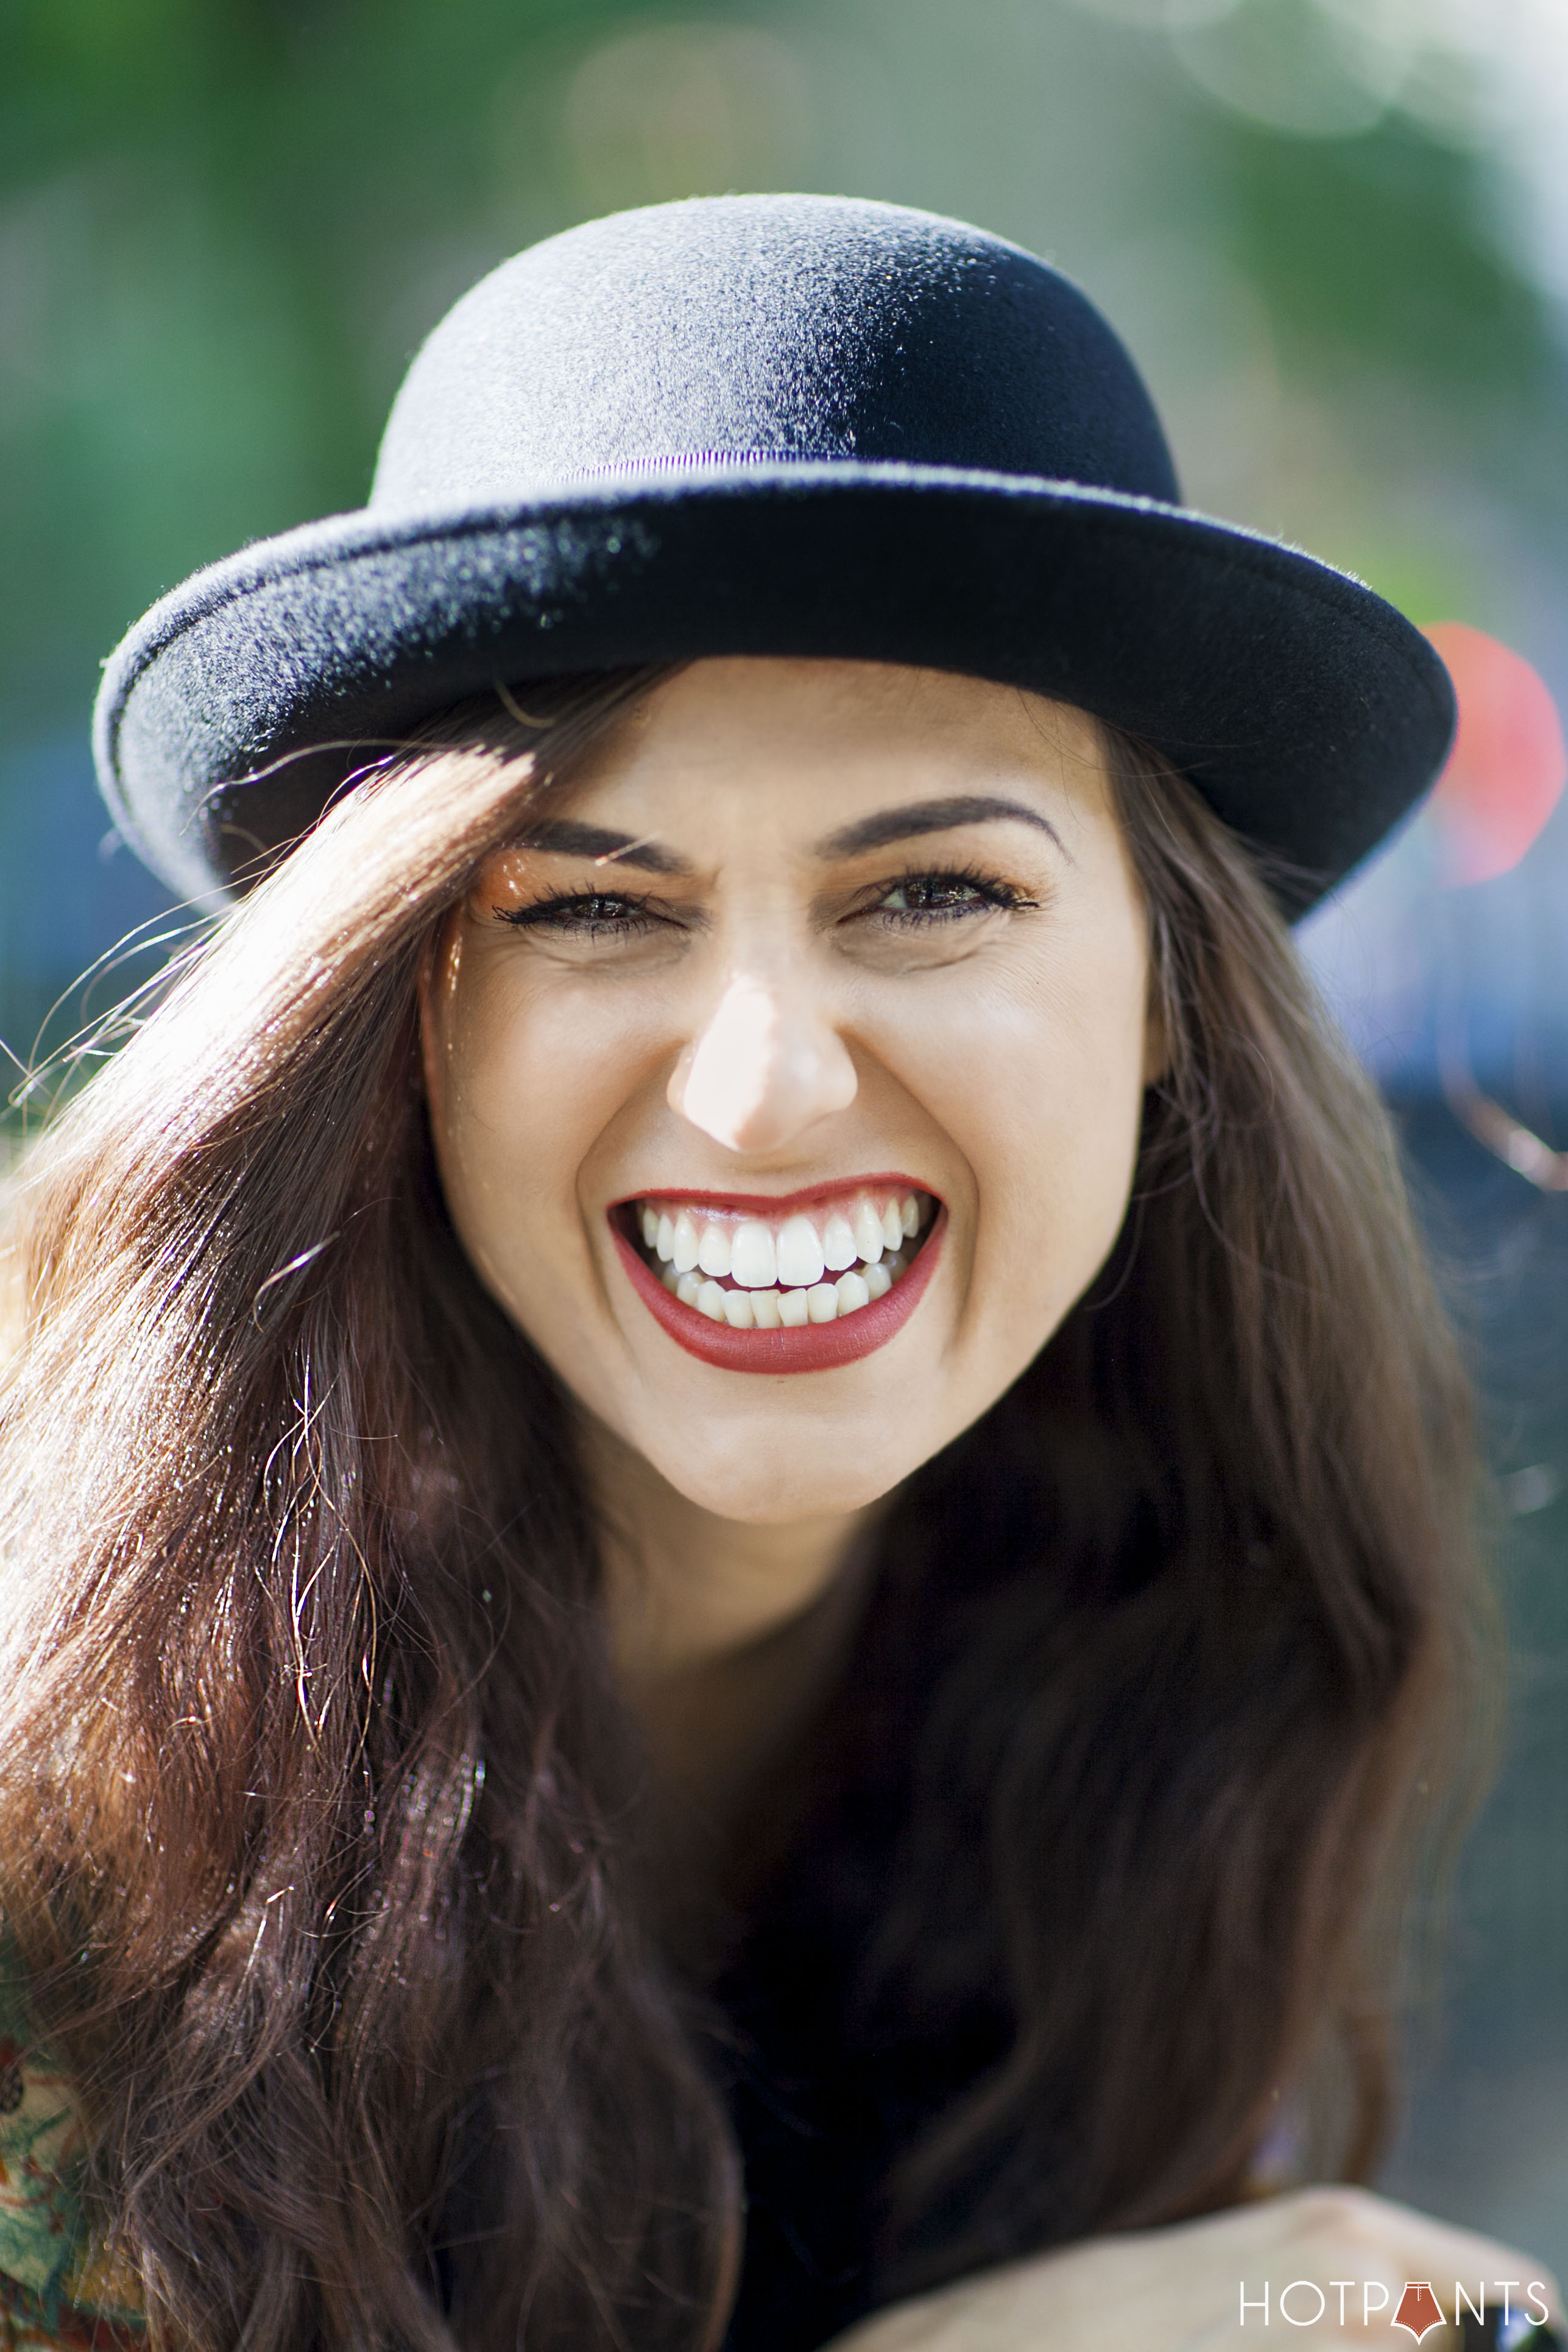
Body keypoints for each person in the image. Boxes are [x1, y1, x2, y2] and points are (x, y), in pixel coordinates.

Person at [0, 195, 1556, 2352]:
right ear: (403, 1023)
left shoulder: (1166, 1682)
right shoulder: (54, 1826)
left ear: (1169, 991)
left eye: (929, 891)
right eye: (588, 911)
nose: (759, 1093)